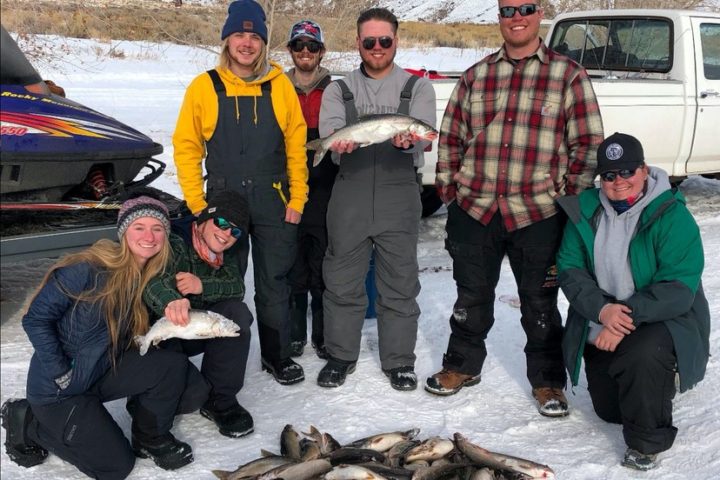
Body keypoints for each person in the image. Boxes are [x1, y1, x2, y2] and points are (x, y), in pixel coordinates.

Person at [425, 0, 604, 418]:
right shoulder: (477, 76)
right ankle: (461, 366)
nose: (516, 17)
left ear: (539, 13)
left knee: (540, 303)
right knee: (470, 296)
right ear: (499, 18)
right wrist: (451, 191)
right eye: (508, 10)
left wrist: (567, 195)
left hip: (538, 212)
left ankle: (547, 381)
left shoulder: (567, 75)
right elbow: (451, 137)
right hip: (476, 208)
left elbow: (588, 144)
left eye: (525, 8)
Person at [0, 194, 208, 478]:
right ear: (124, 232)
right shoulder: (88, 269)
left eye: (157, 228)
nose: (149, 236)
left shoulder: (150, 277)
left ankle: (149, 438)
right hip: (59, 390)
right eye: (139, 227)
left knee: (176, 370)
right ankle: (29, 423)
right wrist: (59, 370)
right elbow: (35, 319)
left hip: (102, 369)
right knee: (115, 466)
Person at [172, 0, 309, 385]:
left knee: (274, 283)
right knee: (222, 286)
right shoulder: (205, 87)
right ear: (226, 39)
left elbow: (296, 148)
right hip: (223, 203)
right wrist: (198, 207)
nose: (246, 43)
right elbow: (186, 148)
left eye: (254, 36)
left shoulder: (280, 85)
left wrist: (297, 199)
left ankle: (277, 356)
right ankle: (222, 366)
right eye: (239, 35)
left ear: (263, 43)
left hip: (273, 200)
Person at [557, 132, 710, 471]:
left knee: (644, 355)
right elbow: (569, 267)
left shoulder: (671, 215)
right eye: (609, 175)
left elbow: (678, 288)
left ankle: (646, 443)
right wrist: (602, 310)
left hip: (662, 317)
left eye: (627, 171)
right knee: (610, 411)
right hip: (606, 315)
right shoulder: (585, 211)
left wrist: (622, 317)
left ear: (643, 170)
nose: (619, 182)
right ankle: (652, 385)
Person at [316, 7, 437, 391]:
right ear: (358, 44)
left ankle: (399, 360)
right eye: (370, 41)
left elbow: (422, 141)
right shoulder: (338, 89)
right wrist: (340, 144)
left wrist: (406, 143)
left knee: (400, 282)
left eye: (385, 40)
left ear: (396, 41)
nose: (378, 47)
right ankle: (340, 356)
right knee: (341, 281)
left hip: (398, 194)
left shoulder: (417, 88)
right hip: (349, 193)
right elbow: (332, 136)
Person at [142, 190, 255, 439]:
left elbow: (237, 286)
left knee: (236, 314)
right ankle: (147, 410)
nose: (226, 234)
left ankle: (220, 401)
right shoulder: (176, 241)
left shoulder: (227, 251)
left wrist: (201, 285)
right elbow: (153, 281)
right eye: (222, 223)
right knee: (187, 398)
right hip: (165, 331)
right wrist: (171, 302)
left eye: (235, 231)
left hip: (198, 328)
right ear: (204, 218)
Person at [285, 19, 337, 359]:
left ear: (321, 52)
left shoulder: (335, 89)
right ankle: (292, 334)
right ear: (290, 50)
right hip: (287, 185)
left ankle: (321, 334)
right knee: (292, 264)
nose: (306, 52)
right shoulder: (276, 86)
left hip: (324, 186)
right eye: (299, 45)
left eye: (312, 46)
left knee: (320, 264)